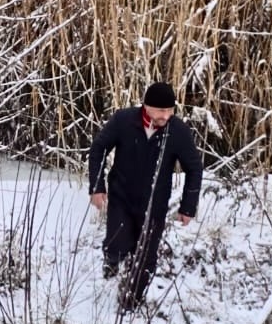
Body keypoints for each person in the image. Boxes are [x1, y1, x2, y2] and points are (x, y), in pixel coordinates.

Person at [87, 82, 203, 310]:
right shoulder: (124, 121)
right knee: (118, 244)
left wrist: (188, 207)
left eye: (170, 110)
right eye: (161, 110)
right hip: (121, 196)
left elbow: (194, 168)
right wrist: (97, 187)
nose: (166, 116)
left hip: (155, 204)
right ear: (146, 106)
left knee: (146, 258)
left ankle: (130, 302)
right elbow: (98, 148)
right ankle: (112, 260)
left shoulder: (177, 131)